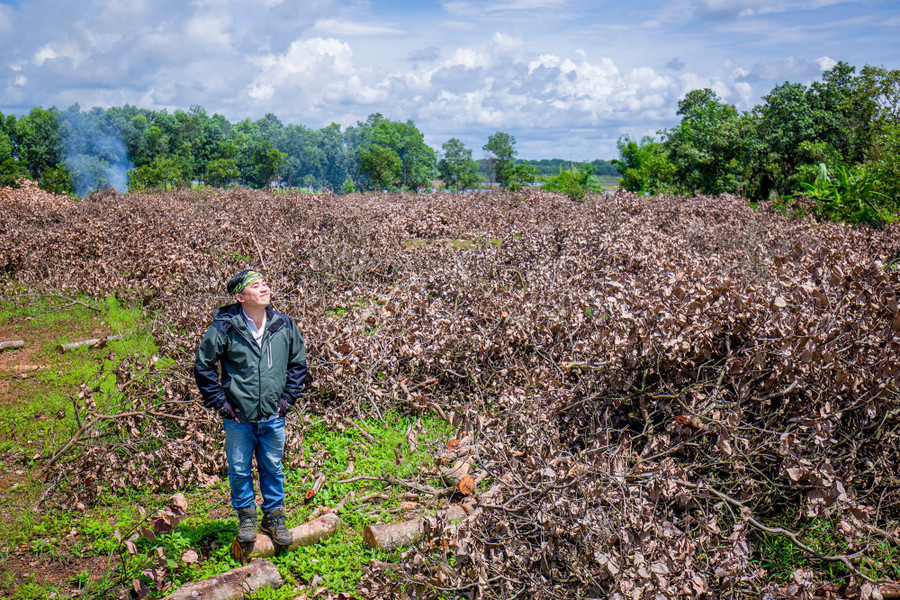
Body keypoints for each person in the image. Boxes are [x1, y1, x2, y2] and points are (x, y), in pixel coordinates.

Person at [194, 270, 308, 546]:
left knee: (272, 467)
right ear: (241, 297)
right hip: (238, 417)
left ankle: (274, 517)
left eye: (265, 284)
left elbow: (298, 364)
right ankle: (247, 517)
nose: (264, 288)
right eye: (255, 286)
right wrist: (221, 402)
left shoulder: (283, 324)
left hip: (273, 415)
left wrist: (287, 400)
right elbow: (203, 366)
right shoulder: (225, 327)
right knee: (239, 468)